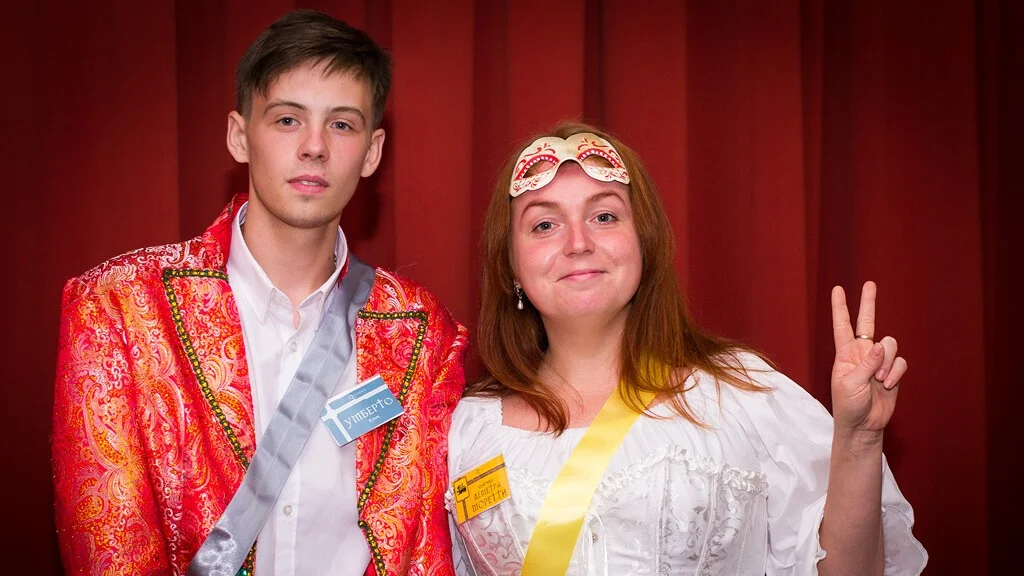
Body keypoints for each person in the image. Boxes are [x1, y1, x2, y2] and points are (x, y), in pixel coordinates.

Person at [52, 10, 466, 576]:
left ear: (372, 153)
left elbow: (423, 552)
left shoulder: (421, 330)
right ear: (239, 136)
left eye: (342, 125)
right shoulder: (121, 308)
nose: (315, 147)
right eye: (288, 120)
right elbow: (111, 548)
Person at [447, 121, 927, 575]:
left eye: (604, 216)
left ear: (645, 243)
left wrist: (859, 439)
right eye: (544, 225)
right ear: (510, 265)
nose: (578, 243)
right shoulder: (465, 431)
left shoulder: (742, 396)